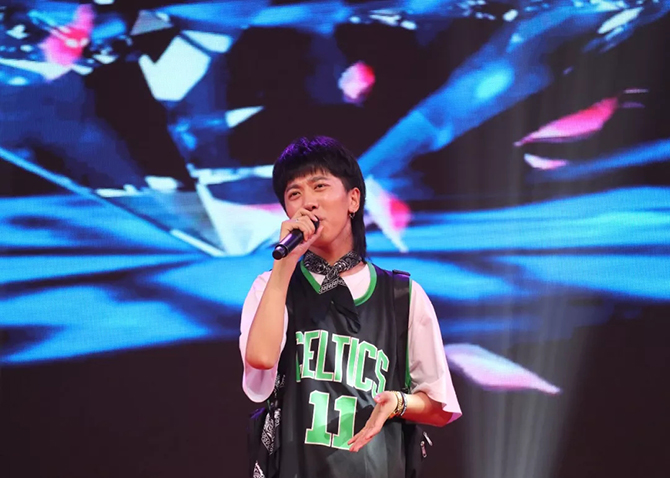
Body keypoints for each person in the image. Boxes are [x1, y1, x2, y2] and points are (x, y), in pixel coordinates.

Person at [239, 136, 461, 478]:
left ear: (353, 199)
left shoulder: (403, 295)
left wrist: (398, 403)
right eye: (294, 194)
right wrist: (284, 266)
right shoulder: (271, 287)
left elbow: (439, 407)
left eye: (320, 186)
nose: (308, 202)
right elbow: (261, 359)